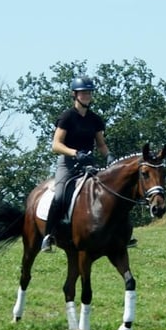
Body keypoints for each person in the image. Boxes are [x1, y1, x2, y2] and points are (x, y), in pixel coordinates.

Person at [41, 76, 115, 253]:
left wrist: (109, 156)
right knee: (59, 196)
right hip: (67, 164)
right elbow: (56, 145)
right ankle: (48, 235)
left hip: (88, 164)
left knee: (110, 193)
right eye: (83, 93)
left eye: (89, 93)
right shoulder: (67, 117)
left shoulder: (95, 119)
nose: (87, 96)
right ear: (75, 95)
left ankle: (117, 234)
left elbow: (101, 144)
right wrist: (75, 153)